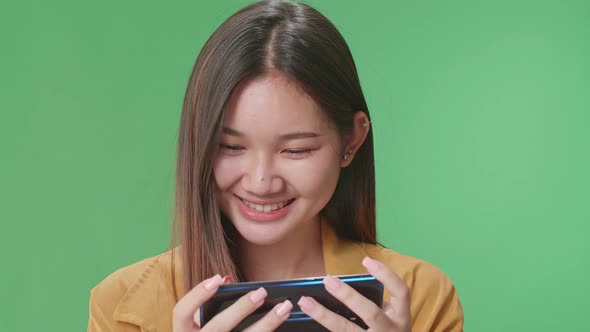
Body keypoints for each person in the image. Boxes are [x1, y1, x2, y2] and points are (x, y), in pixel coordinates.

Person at [87, 1, 464, 331]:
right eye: (231, 146)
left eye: (296, 150)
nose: (261, 181)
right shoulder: (122, 305)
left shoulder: (418, 296)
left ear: (352, 140)